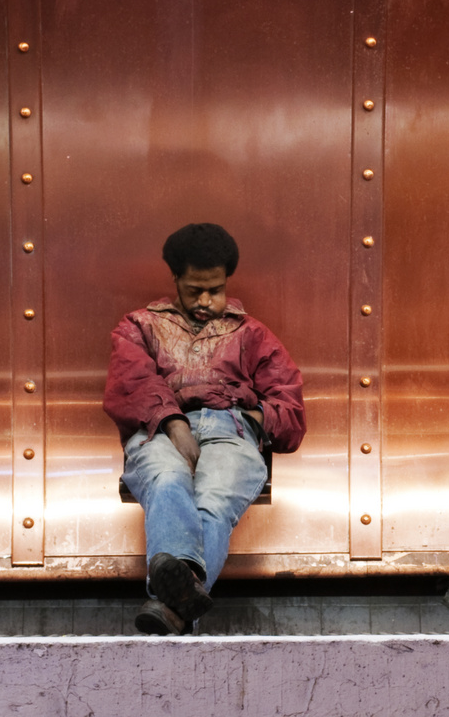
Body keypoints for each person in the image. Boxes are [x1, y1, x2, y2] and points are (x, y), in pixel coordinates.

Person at [103, 222, 305, 635]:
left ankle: (169, 604)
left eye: (215, 289)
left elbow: (290, 408)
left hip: (231, 427)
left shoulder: (252, 334)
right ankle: (180, 606)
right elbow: (131, 383)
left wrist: (254, 418)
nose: (206, 300)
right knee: (167, 478)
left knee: (213, 501)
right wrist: (175, 424)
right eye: (195, 289)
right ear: (175, 279)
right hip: (159, 427)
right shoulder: (139, 327)